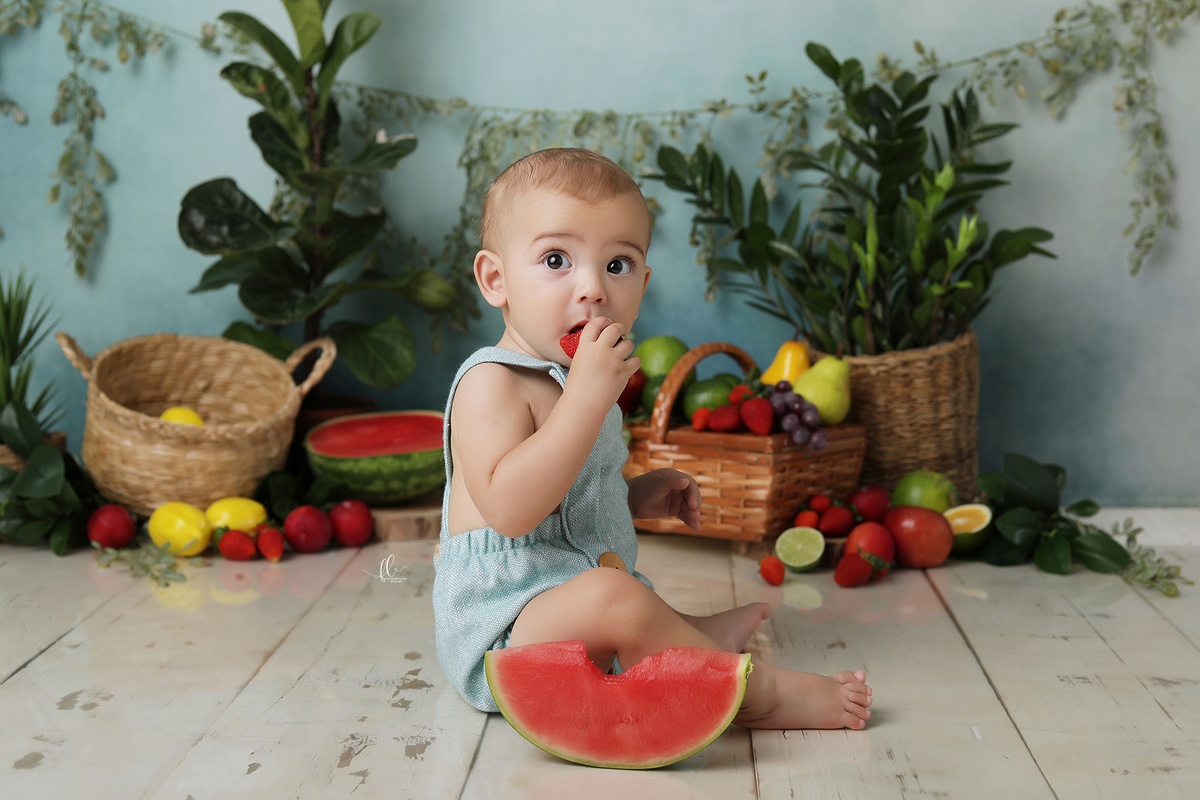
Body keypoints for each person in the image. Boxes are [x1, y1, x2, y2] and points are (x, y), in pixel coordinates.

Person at [431, 147, 872, 731]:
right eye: (557, 259)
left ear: (643, 284)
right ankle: (758, 694)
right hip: (504, 631)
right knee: (614, 598)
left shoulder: (581, 381)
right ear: (497, 279)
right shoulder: (492, 382)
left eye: (617, 264)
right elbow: (512, 513)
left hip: (566, 603)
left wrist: (634, 495)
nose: (592, 289)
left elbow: (568, 499)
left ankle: (691, 637)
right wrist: (586, 399)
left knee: (616, 594)